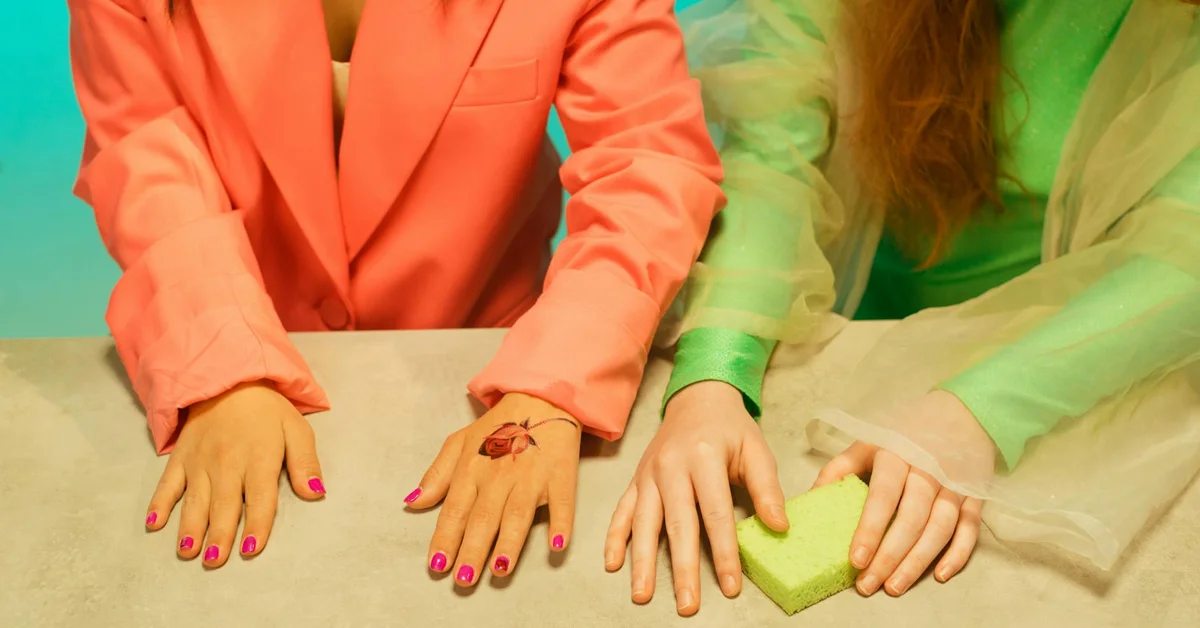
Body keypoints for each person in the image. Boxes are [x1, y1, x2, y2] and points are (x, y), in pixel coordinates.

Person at [68, 0, 724, 584]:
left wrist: (553, 381)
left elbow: (646, 163)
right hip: (252, 340)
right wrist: (223, 364)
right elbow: (144, 150)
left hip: (485, 353)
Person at [606, 0, 1200, 616]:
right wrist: (714, 373)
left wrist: (985, 407)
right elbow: (771, 161)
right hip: (857, 314)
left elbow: (1187, 253)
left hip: (1077, 335)